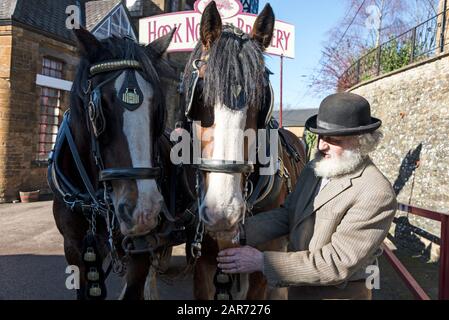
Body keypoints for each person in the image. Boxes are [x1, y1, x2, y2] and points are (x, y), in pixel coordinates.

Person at [217, 92, 397, 300]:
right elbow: (289, 214)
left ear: (361, 141)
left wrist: (262, 262)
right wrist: (240, 232)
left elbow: (336, 263)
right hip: (298, 290)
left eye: (333, 139)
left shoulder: (376, 193)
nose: (321, 145)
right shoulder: (316, 168)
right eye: (320, 136)